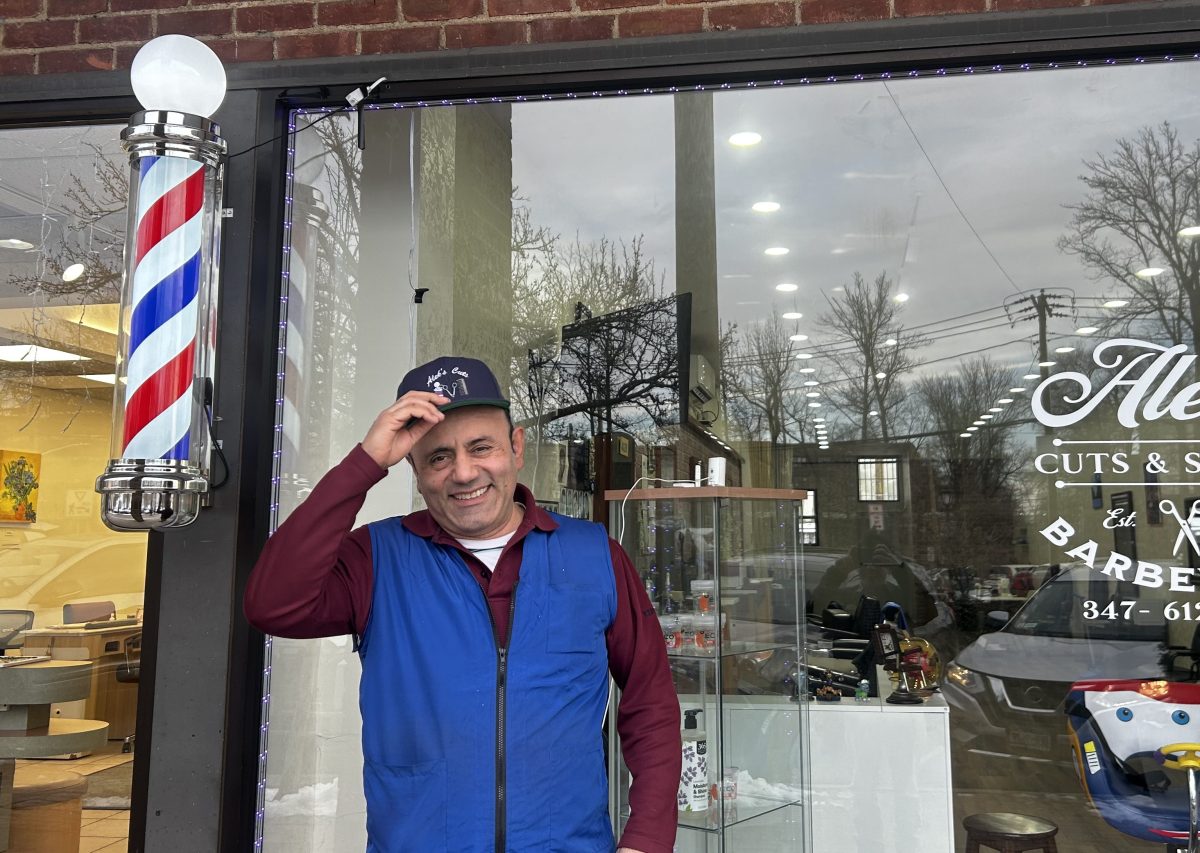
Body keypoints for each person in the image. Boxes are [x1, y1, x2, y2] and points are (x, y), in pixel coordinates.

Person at [244, 355, 681, 853]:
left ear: (515, 448)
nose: (464, 472)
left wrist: (646, 839)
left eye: (481, 447)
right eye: (438, 457)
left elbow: (651, 703)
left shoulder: (593, 554)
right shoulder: (375, 559)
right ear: (412, 468)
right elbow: (272, 604)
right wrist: (364, 463)